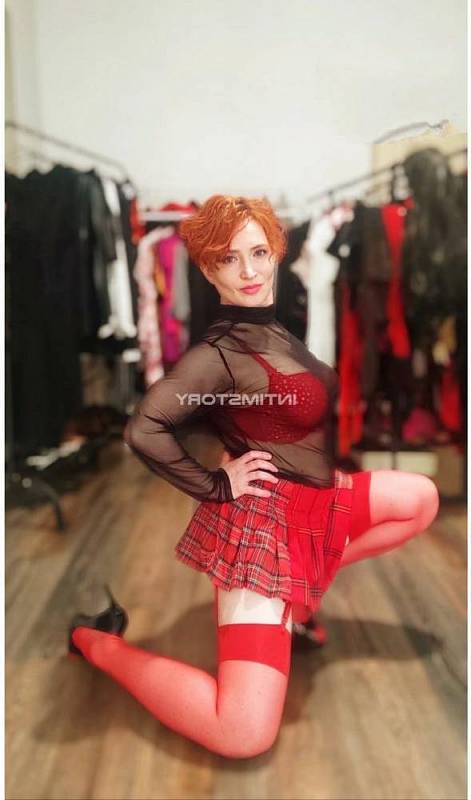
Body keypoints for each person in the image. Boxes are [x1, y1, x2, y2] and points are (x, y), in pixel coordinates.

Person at [68, 195, 440, 759]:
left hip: (315, 501)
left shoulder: (273, 330)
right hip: (262, 528)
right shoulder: (219, 352)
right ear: (207, 268)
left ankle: (300, 597)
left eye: (259, 252)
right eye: (228, 258)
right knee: (242, 732)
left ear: (276, 253)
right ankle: (95, 640)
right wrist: (217, 485)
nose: (248, 270)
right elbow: (144, 429)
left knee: (419, 499)